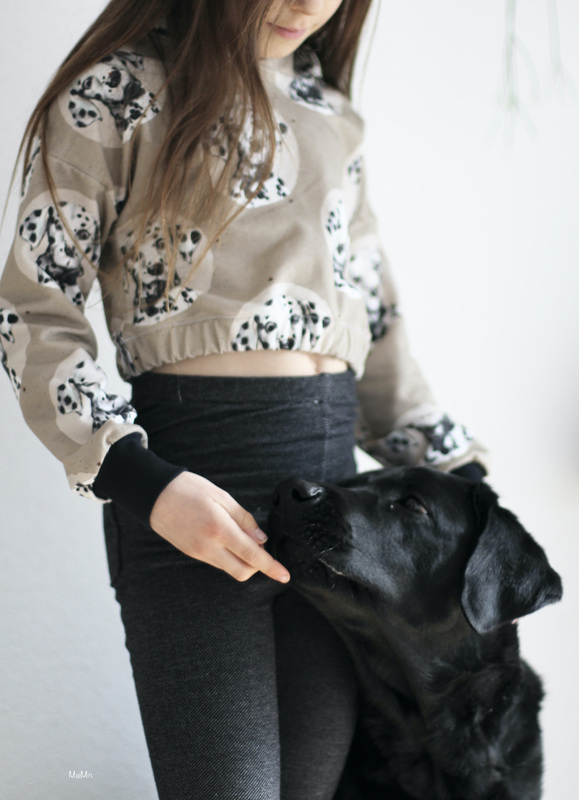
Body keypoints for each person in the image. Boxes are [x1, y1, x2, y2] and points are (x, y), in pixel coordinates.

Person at [0, 1, 489, 798]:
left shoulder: (329, 115)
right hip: (191, 499)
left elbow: (375, 326)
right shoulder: (116, 93)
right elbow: (33, 312)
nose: (308, 4)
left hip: (336, 524)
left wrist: (469, 491)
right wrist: (147, 487)